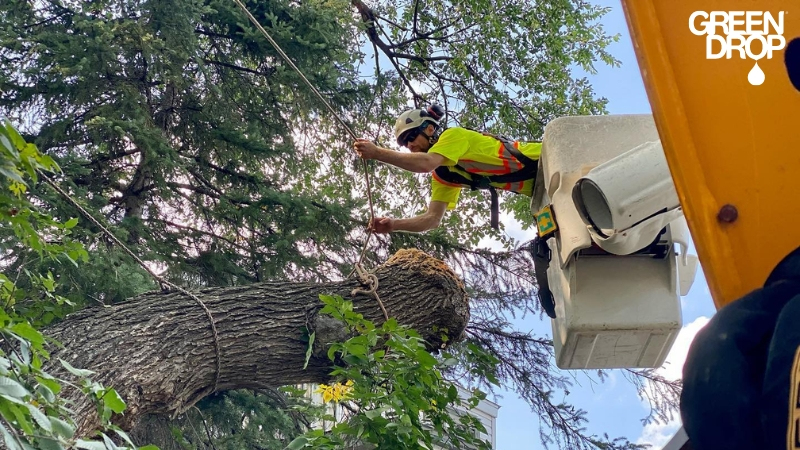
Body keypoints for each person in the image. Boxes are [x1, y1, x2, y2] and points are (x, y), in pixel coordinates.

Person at [353, 106, 542, 233]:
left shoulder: (453, 136)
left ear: (428, 129)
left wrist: (377, 153)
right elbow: (432, 219)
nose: (409, 145)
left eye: (410, 137)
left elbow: (425, 163)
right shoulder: (446, 174)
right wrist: (393, 224)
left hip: (547, 158)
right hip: (539, 191)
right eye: (404, 144)